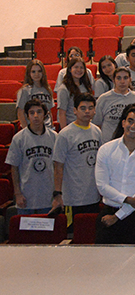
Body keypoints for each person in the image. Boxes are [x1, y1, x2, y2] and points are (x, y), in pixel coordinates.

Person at [94, 104, 135, 244]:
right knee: (103, 263)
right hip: (107, 213)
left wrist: (117, 217)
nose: (133, 126)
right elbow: (102, 186)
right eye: (130, 121)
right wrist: (127, 199)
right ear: (123, 123)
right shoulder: (106, 150)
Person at [52, 93, 102, 221]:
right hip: (72, 197)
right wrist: (58, 194)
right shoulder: (65, 135)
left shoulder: (97, 131)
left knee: (89, 234)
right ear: (75, 110)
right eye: (83, 108)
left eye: (90, 108)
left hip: (93, 195)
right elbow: (58, 166)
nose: (87, 111)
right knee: (72, 236)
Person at [7, 99, 56, 215]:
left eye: (39, 112)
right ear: (27, 115)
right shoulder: (18, 138)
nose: (35, 116)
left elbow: (59, 167)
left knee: (47, 232)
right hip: (26, 197)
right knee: (26, 233)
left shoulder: (55, 137)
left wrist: (58, 194)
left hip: (48, 197)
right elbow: (13, 168)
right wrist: (17, 194)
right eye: (32, 112)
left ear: (45, 115)